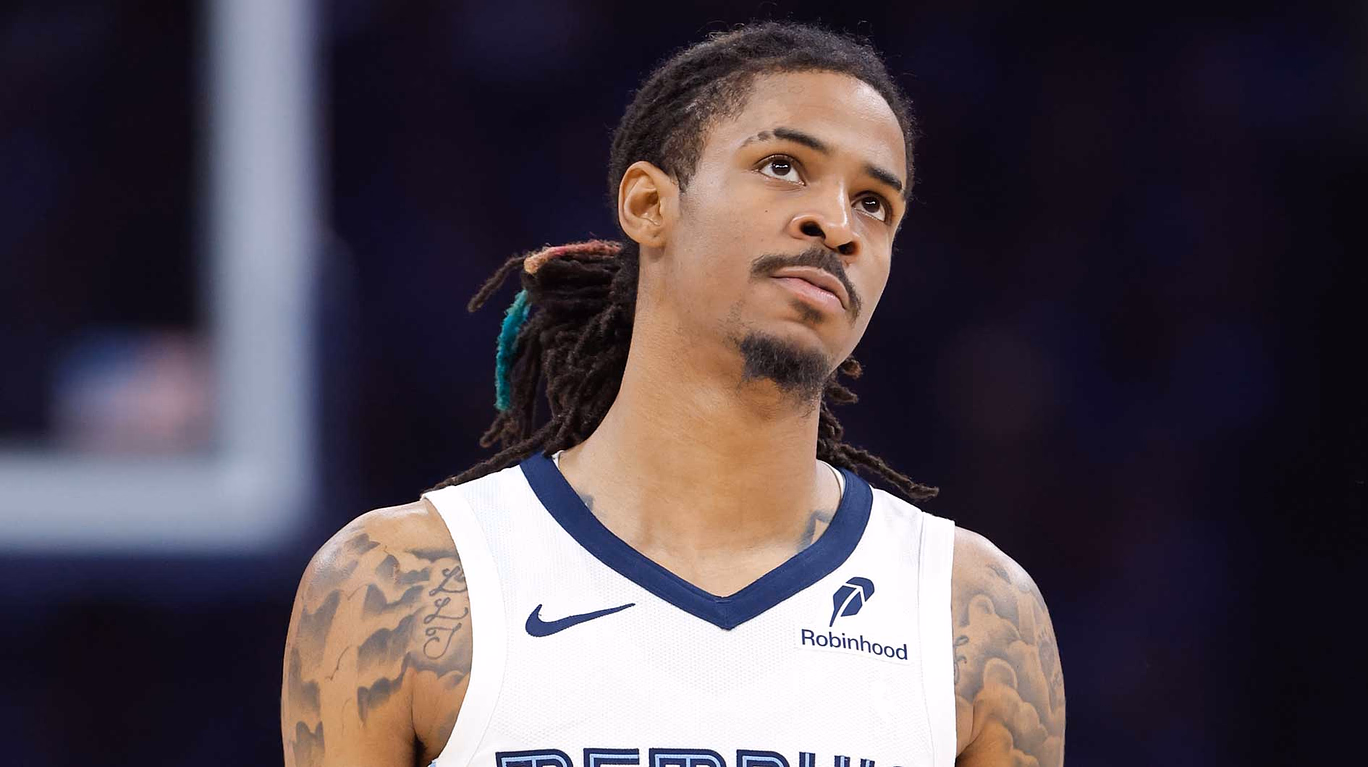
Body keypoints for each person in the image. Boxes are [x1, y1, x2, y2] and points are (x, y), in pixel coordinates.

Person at [282, 21, 1065, 767]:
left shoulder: (974, 613)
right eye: (784, 165)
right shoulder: (397, 585)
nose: (837, 223)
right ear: (649, 206)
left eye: (875, 203)